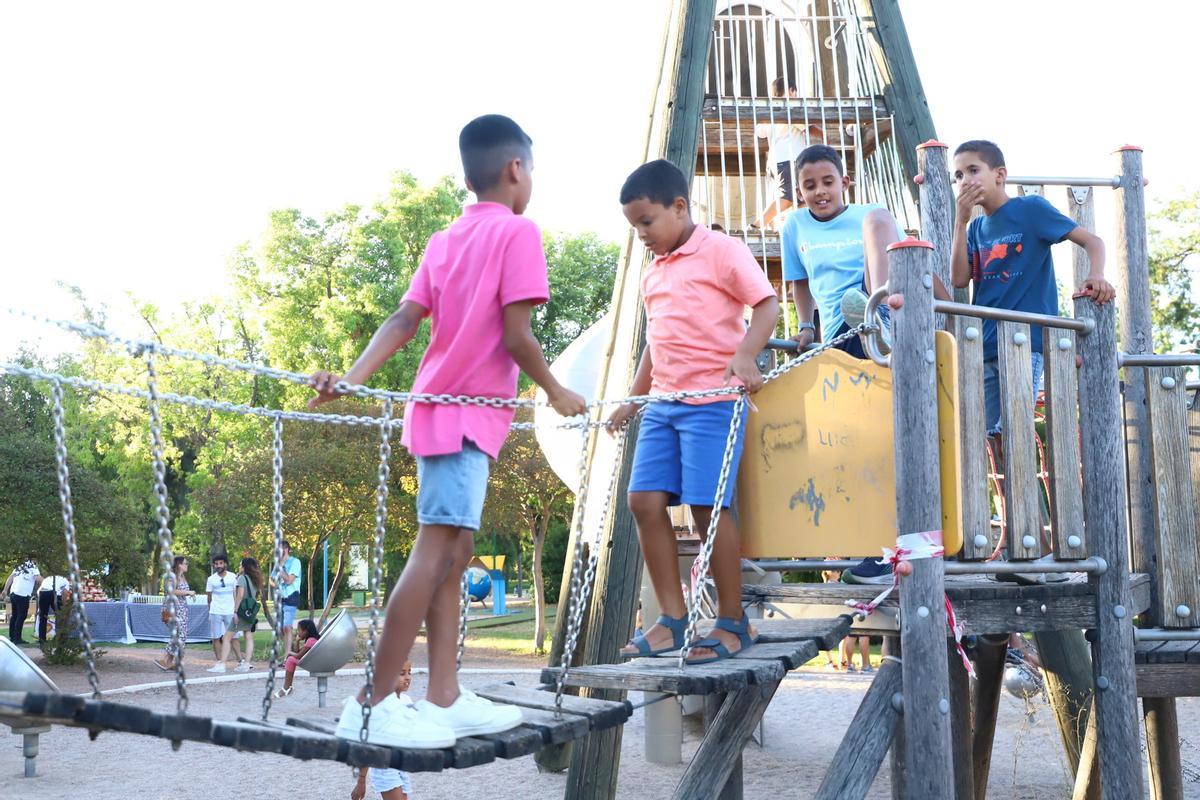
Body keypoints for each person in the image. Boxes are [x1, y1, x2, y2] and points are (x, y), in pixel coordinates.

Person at [308, 114, 586, 748]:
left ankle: (444, 696)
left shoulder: (445, 238)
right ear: (516, 169)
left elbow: (404, 320)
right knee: (435, 552)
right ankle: (373, 703)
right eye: (532, 170)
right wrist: (556, 390)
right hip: (463, 415)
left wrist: (352, 378)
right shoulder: (518, 232)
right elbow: (517, 336)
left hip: (441, 412)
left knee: (456, 554)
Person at [606, 159, 779, 664]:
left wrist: (745, 355)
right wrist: (632, 400)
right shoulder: (653, 273)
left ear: (679, 207)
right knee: (642, 501)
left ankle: (732, 621)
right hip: (662, 404)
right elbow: (655, 343)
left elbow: (766, 304)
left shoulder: (721, 251)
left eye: (646, 222)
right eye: (634, 226)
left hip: (713, 402)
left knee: (706, 507)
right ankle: (673, 619)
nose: (641, 234)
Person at [949, 139, 1114, 436]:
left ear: (1000, 174)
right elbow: (959, 279)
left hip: (1024, 341)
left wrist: (1096, 274)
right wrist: (960, 223)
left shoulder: (1031, 210)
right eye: (958, 175)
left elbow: (1093, 242)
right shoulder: (975, 228)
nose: (965, 180)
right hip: (985, 344)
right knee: (988, 439)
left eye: (973, 170)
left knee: (1012, 430)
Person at [752, 77, 824, 230]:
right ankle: (757, 225)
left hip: (775, 161)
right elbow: (808, 127)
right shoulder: (790, 107)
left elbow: (760, 132)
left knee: (802, 196)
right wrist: (826, 137)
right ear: (791, 90)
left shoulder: (771, 110)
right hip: (789, 159)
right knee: (789, 195)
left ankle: (793, 226)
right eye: (795, 92)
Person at [350, 663, 416, 800]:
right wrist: (361, 781)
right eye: (402, 673)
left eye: (409, 672)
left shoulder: (407, 701)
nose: (408, 677)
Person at [155, 556, 196, 671]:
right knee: (179, 635)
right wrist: (188, 592)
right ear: (179, 565)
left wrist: (189, 594)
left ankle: (169, 663)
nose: (187, 565)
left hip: (182, 610)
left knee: (180, 635)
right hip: (172, 610)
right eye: (185, 563)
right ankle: (164, 658)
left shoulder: (182, 577)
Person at [273, 617, 320, 698]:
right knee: (290, 659)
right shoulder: (311, 639)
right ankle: (287, 687)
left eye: (299, 630)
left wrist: (289, 653)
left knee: (290, 660)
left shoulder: (310, 641)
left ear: (306, 631)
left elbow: (298, 655)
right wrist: (297, 641)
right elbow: (297, 652)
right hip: (312, 661)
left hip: (313, 663)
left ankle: (286, 688)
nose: (298, 633)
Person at [205, 555, 237, 673]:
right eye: (216, 564)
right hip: (215, 611)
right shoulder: (211, 579)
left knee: (234, 636)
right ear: (214, 565)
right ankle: (220, 663)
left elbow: (235, 593)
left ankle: (241, 661)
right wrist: (211, 609)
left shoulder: (233, 577)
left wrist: (236, 610)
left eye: (220, 563)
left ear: (225, 564)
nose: (218, 566)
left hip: (230, 610)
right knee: (215, 637)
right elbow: (209, 597)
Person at [230, 557, 263, 673]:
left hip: (242, 610)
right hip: (251, 610)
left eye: (240, 565)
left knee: (228, 635)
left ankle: (228, 662)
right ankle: (247, 662)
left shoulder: (242, 578)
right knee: (248, 635)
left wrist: (235, 611)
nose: (239, 567)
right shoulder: (254, 579)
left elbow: (240, 596)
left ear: (244, 567)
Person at [272, 540, 303, 658]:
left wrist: (281, 568)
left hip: (291, 596)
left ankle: (287, 656)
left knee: (287, 626)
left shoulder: (295, 562)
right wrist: (276, 585)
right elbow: (271, 579)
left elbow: (289, 580)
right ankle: (288, 653)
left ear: (285, 550)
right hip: (281, 597)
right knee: (282, 628)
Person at [4, 559, 41, 644]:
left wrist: (5, 590)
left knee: (15, 615)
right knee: (21, 615)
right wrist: (47, 582)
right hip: (23, 594)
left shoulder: (19, 566)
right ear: (34, 559)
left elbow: (11, 577)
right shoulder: (33, 566)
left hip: (13, 593)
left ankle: (12, 637)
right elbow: (37, 578)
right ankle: (17, 638)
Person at [36, 573, 70, 643]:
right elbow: (65, 593)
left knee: (42, 617)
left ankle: (42, 639)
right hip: (54, 594)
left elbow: (38, 591)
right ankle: (60, 638)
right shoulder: (65, 580)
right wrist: (64, 606)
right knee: (60, 616)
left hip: (43, 593)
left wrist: (39, 607)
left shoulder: (48, 578)